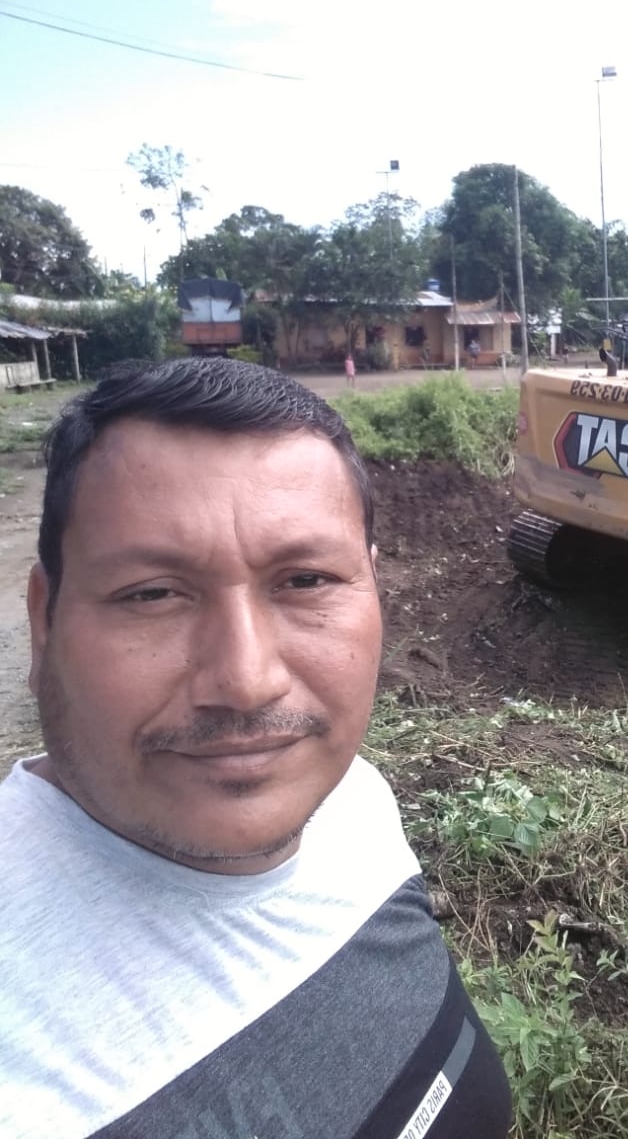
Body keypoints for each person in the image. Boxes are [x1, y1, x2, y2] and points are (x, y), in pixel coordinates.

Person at [0, 357, 511, 1139]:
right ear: (44, 621)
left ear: (373, 590)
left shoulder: (353, 801)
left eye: (306, 581)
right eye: (152, 594)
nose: (246, 682)